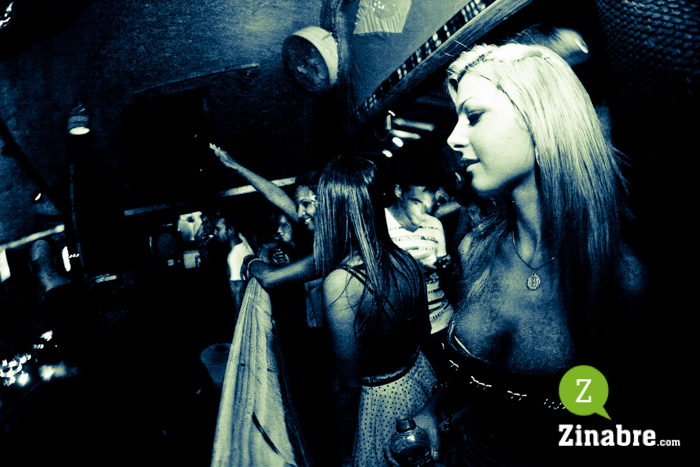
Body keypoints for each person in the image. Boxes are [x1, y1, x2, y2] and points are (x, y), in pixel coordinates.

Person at [386, 42, 647, 466]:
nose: (453, 137)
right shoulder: (474, 249)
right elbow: (475, 370)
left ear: (539, 118)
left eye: (473, 115)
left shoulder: (622, 275)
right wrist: (433, 410)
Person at [314, 156, 437, 467]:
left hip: (380, 406)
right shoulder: (407, 261)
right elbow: (423, 333)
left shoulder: (342, 284)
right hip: (420, 382)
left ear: (333, 211)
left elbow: (346, 387)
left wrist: (343, 455)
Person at [384, 156, 454, 378]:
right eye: (416, 201)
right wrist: (410, 273)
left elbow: (443, 275)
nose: (425, 209)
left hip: (443, 322)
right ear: (399, 191)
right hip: (406, 332)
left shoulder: (435, 225)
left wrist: (446, 266)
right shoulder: (379, 227)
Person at [212, 213, 254, 323]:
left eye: (218, 229)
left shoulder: (234, 256)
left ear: (230, 230)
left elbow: (238, 290)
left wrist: (237, 318)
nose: (215, 233)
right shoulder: (243, 242)